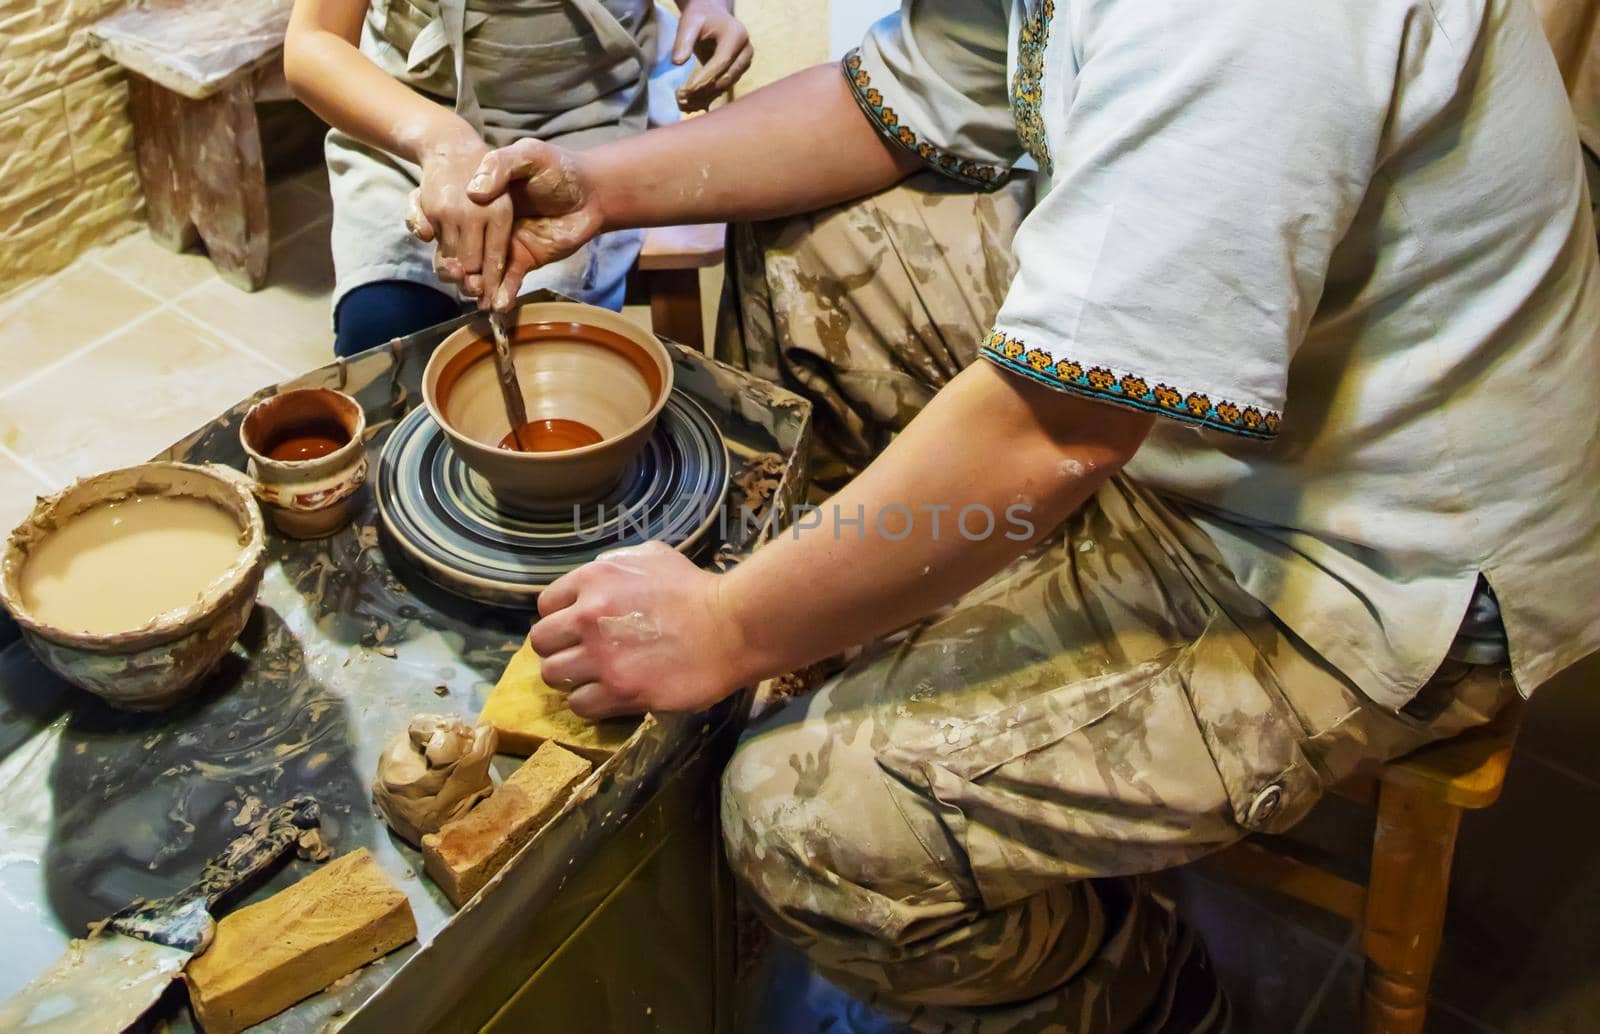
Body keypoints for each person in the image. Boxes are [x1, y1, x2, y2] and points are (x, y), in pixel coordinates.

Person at [436, 0, 1599, 1029]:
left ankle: (1150, 994)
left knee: (806, 825)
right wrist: (608, 183)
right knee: (812, 259)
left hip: (1373, 550)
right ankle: (889, 641)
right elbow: (882, 103)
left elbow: (1061, 432)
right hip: (1235, 405)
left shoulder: (1246, 20)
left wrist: (730, 625)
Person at [284, 0, 752, 356]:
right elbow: (312, 42)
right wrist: (437, 137)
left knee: (543, 344)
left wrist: (707, 8)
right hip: (411, 114)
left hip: (589, 119)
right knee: (383, 332)